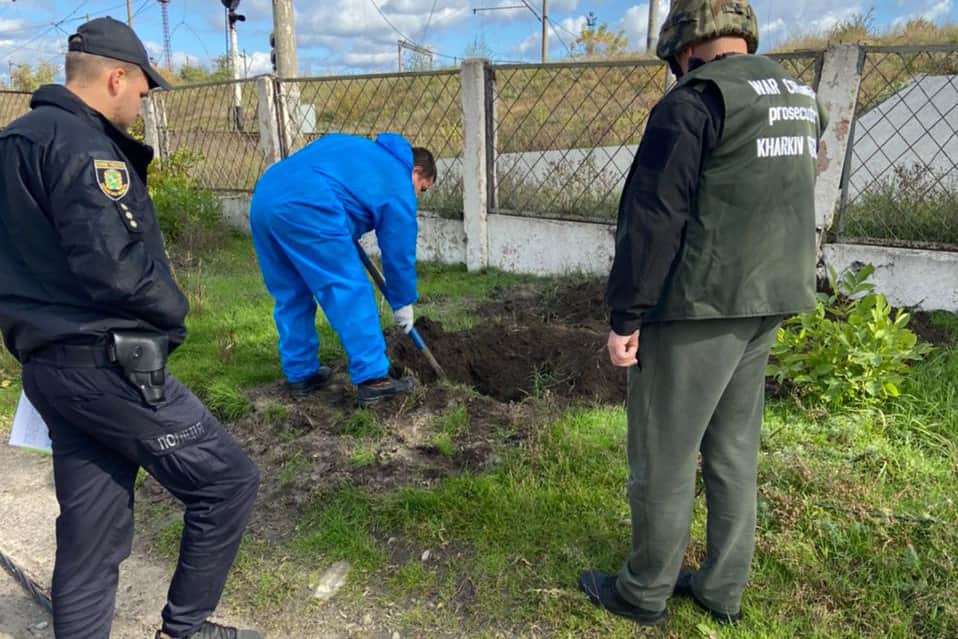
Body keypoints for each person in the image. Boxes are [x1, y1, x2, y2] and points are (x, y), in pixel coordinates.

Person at [0, 17, 262, 639]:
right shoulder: (82, 146)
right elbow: (113, 264)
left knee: (92, 533)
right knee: (226, 481)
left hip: (47, 366)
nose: (145, 101)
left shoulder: (16, 142)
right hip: (108, 364)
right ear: (115, 77)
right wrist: (173, 309)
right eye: (143, 89)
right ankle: (187, 630)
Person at [579, 0, 827, 627]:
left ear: (688, 46)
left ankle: (642, 593)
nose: (676, 73)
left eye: (674, 63)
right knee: (733, 448)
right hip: (770, 297)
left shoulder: (693, 104)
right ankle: (720, 589)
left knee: (664, 454)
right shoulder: (801, 98)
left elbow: (654, 219)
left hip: (700, 305)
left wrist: (626, 316)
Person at [249, 132, 436, 405]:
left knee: (291, 293)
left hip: (265, 197)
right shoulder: (398, 179)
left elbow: (333, 180)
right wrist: (403, 301)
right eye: (423, 188)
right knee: (348, 289)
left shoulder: (356, 147)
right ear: (417, 171)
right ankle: (374, 379)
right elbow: (399, 252)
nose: (418, 196)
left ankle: (301, 374)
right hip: (310, 205)